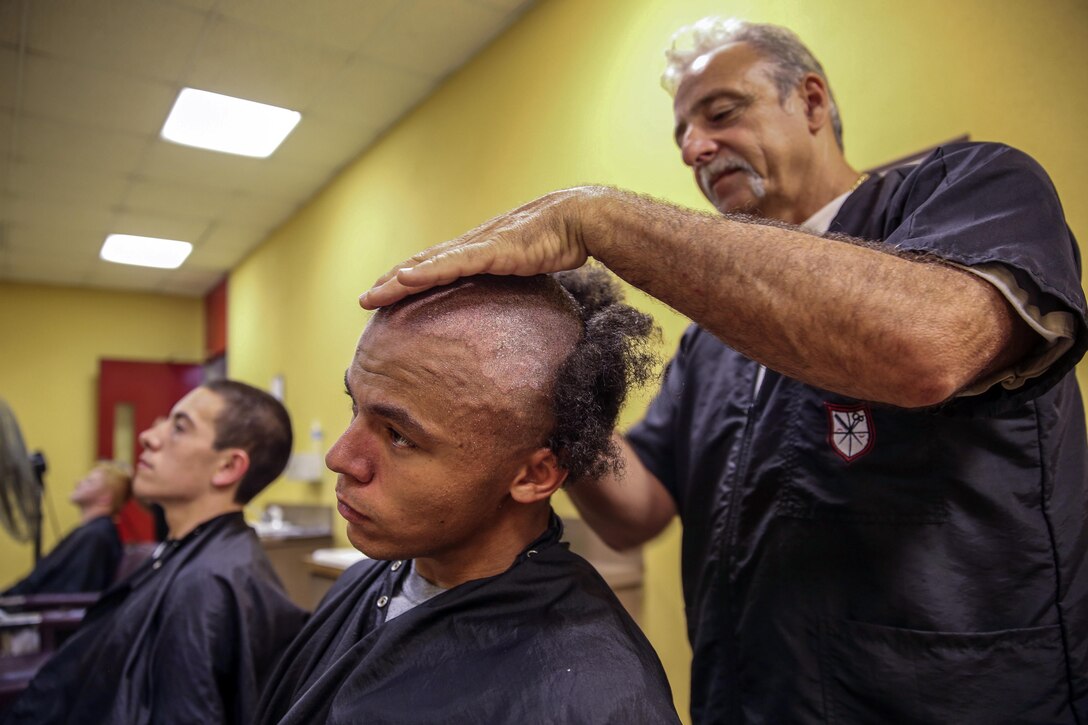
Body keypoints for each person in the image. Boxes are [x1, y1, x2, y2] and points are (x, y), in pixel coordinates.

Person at [358, 17, 1088, 725]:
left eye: (721, 113)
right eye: (681, 133)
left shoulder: (970, 189)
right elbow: (637, 510)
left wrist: (597, 219)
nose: (695, 148)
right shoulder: (714, 336)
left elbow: (930, 347)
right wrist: (549, 390)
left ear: (810, 101)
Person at [255, 270, 680, 724]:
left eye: (399, 436)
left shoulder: (596, 699)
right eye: (355, 407)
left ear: (535, 475)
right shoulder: (363, 584)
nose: (339, 458)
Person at [4, 380, 308, 725]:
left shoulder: (207, 584)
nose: (148, 437)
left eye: (179, 427)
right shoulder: (186, 553)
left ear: (227, 467)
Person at [3, 461, 131, 596]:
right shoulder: (92, 532)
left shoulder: (96, 536)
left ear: (105, 498)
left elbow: (73, 593)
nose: (78, 482)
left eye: (89, 482)